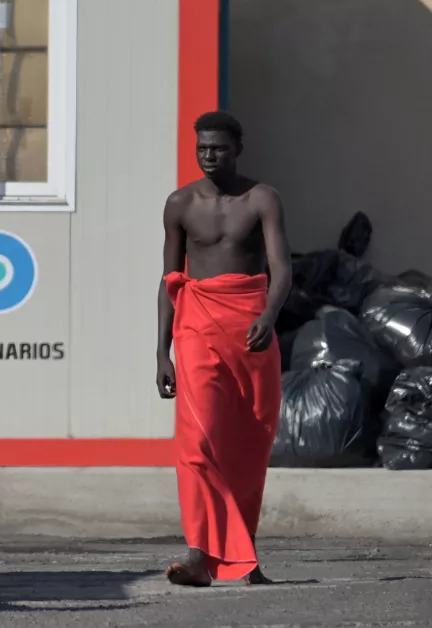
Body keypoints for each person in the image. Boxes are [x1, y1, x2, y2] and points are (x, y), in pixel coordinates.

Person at [155, 111, 292, 587]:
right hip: (195, 327)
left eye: (218, 147)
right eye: (202, 148)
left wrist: (269, 317)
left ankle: (242, 555)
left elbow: (281, 268)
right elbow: (170, 280)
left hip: (251, 328)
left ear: (237, 148)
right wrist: (161, 353)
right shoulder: (179, 203)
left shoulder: (262, 199)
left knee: (249, 444)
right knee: (197, 441)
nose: (209, 155)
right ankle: (198, 554)